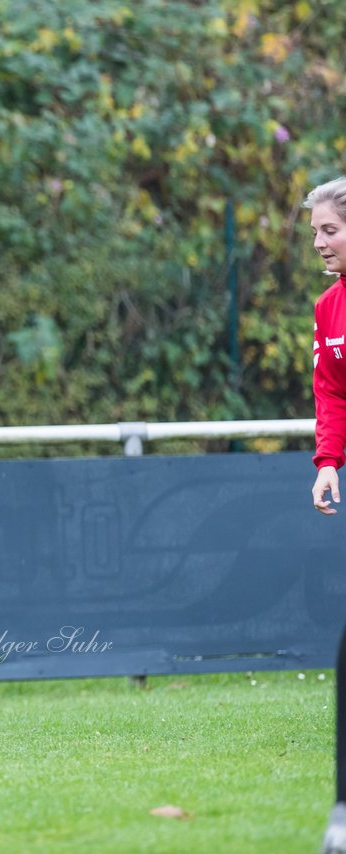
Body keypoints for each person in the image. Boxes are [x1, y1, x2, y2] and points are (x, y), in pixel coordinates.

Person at [305, 176, 346, 854]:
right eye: (314, 231)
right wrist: (327, 463)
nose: (316, 241)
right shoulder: (328, 308)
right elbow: (331, 394)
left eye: (329, 229)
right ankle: (342, 812)